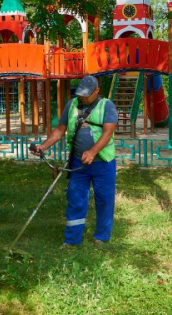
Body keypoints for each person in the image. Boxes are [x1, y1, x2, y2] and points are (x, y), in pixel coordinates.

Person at [30, 75, 118, 248]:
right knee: (76, 199)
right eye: (81, 94)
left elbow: (108, 133)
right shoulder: (72, 105)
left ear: (96, 91)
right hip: (79, 163)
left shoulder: (106, 105)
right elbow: (60, 130)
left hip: (103, 163)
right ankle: (71, 240)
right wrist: (43, 146)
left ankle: (102, 236)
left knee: (104, 199)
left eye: (87, 95)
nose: (83, 98)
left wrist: (93, 151)